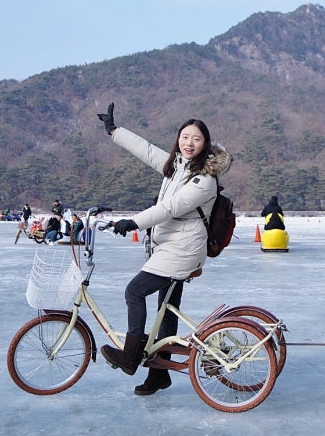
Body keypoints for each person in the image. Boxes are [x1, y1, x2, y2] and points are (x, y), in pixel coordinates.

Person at [97, 103, 232, 396]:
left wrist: (133, 222)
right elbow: (145, 150)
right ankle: (159, 376)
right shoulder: (176, 166)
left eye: (196, 138)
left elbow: (170, 208)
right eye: (185, 137)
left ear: (205, 144)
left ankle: (130, 356)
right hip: (170, 247)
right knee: (166, 313)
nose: (189, 143)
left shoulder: (204, 180)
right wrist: (114, 130)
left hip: (182, 251)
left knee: (134, 291)